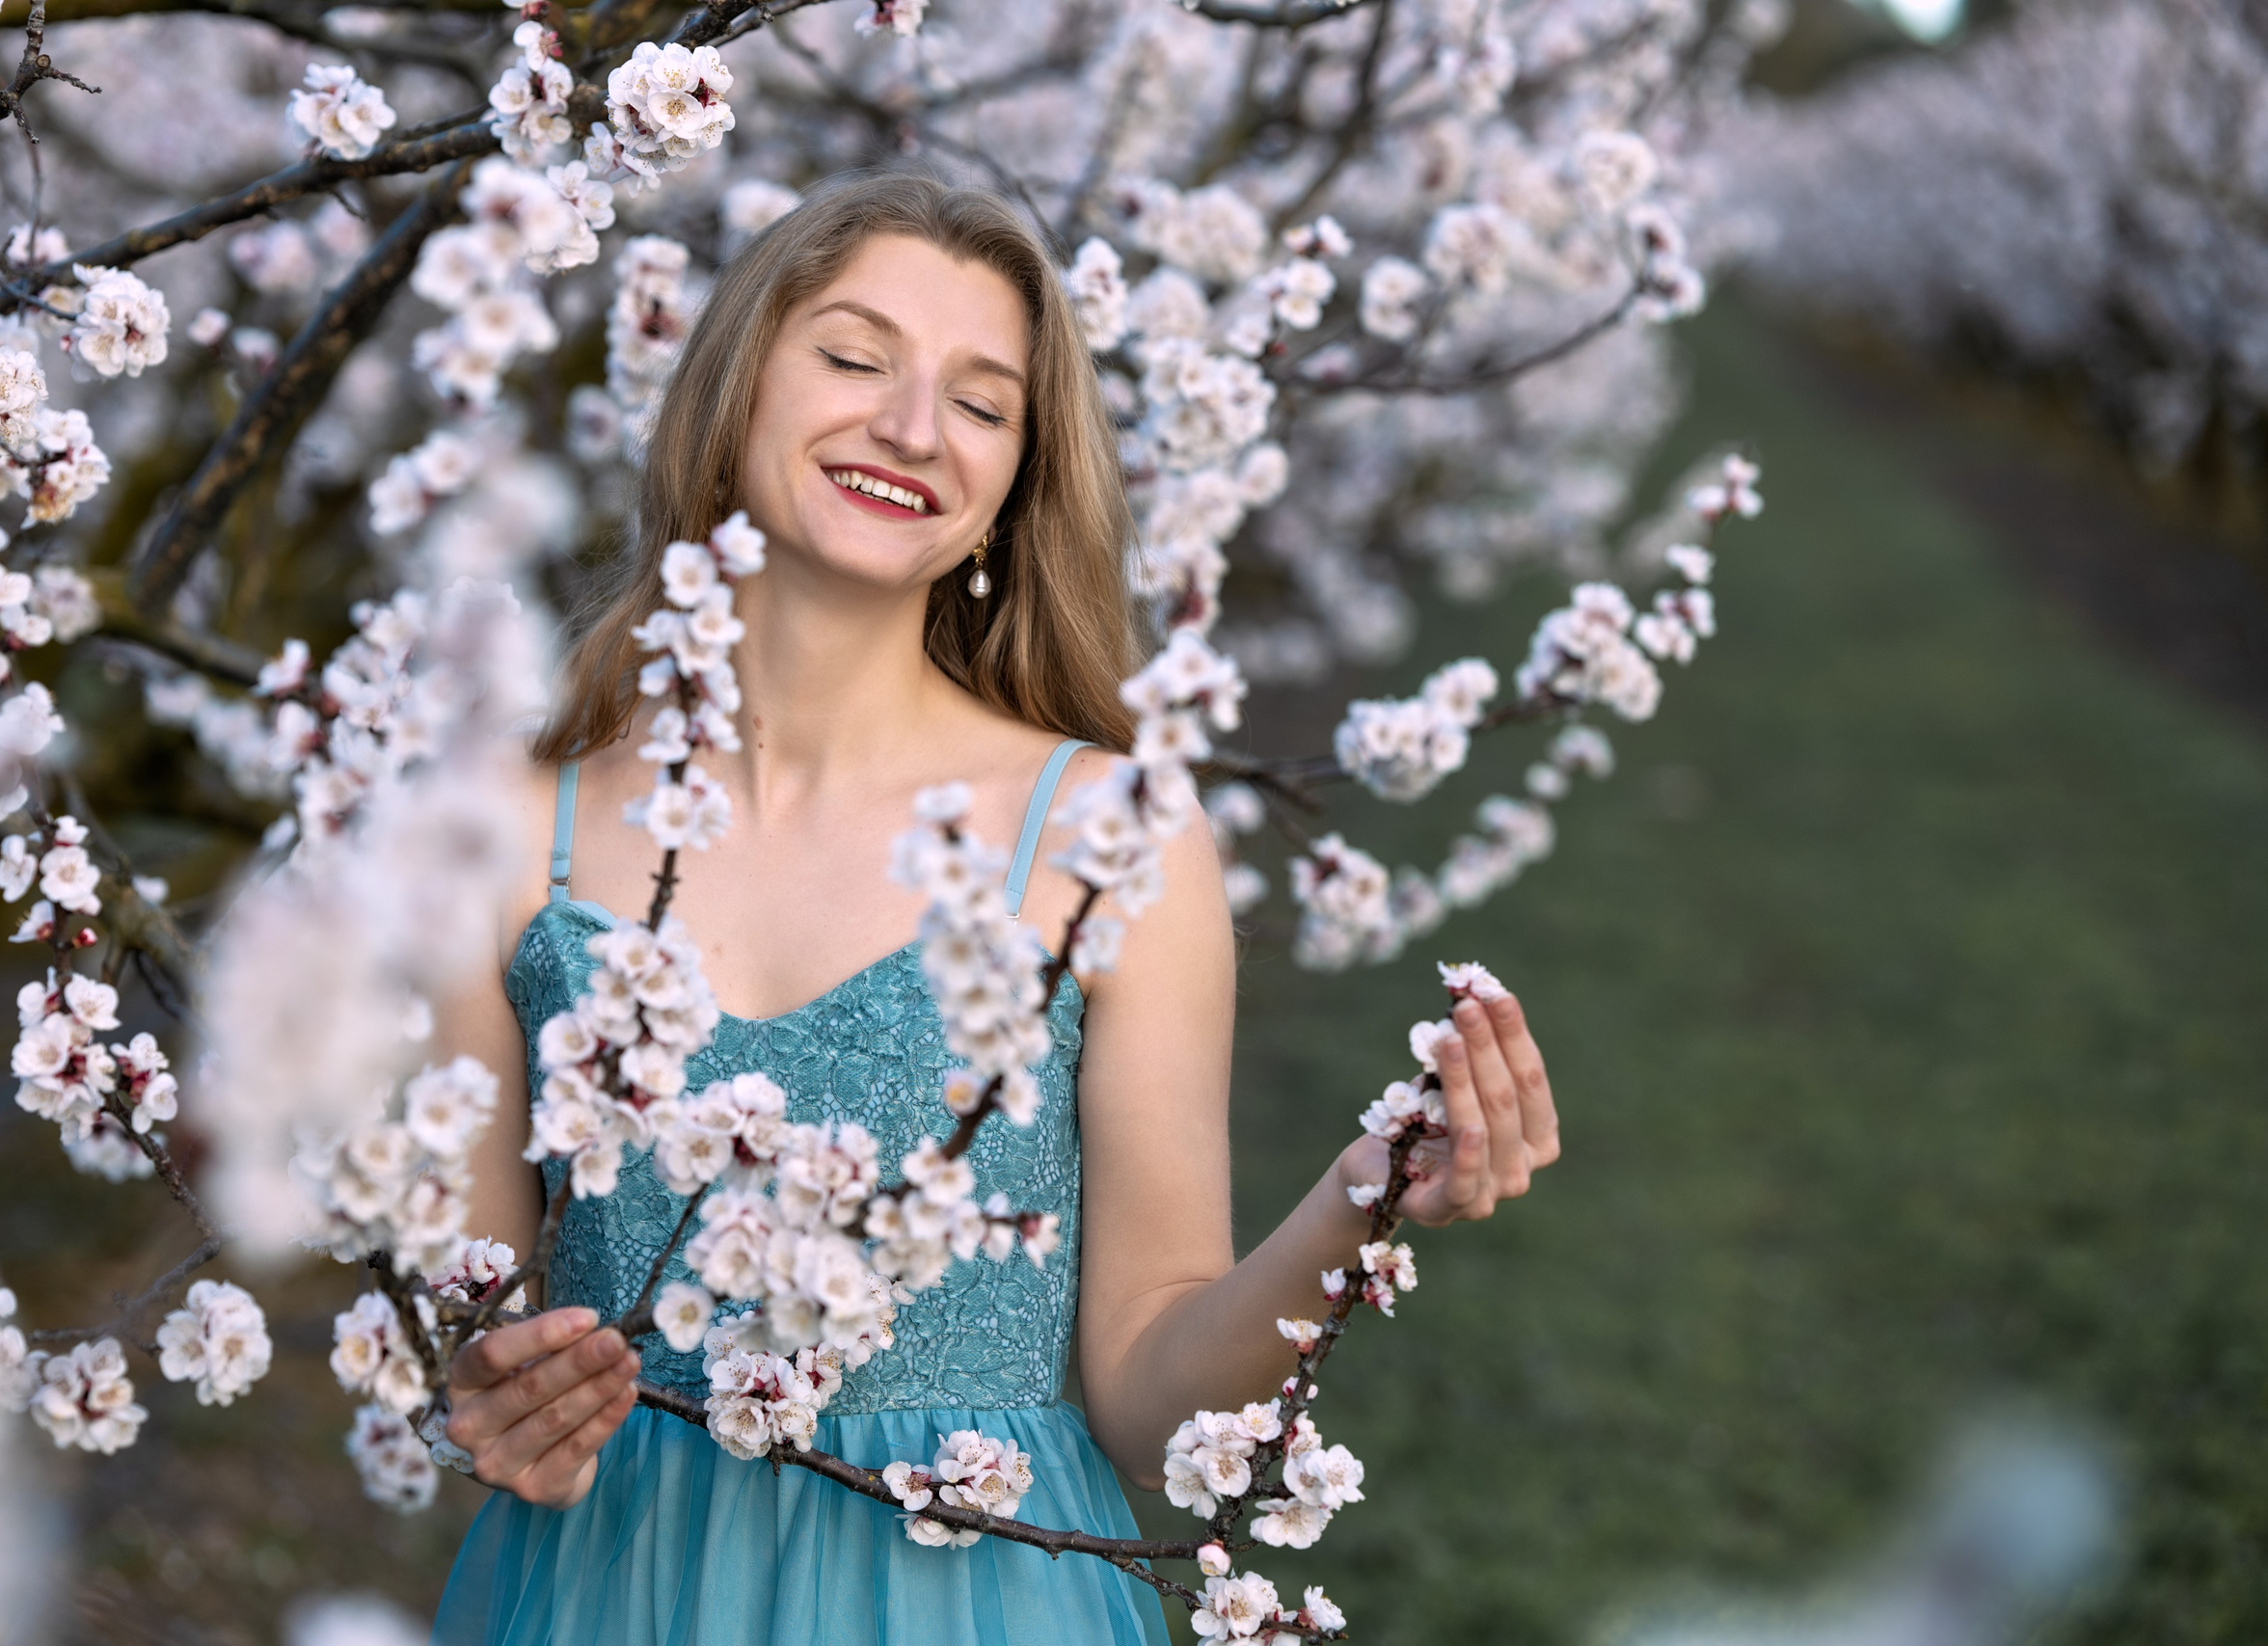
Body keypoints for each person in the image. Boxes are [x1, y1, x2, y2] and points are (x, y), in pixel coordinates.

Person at [427, 173, 1561, 1646]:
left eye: (981, 402)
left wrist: (1361, 1204)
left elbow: (1154, 1404)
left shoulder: (1107, 836)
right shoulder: (510, 835)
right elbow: (465, 1311)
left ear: (1008, 487)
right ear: (732, 396)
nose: (910, 427)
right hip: (614, 1589)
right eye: (851, 358)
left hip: (974, 1605)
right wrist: (497, 1392)